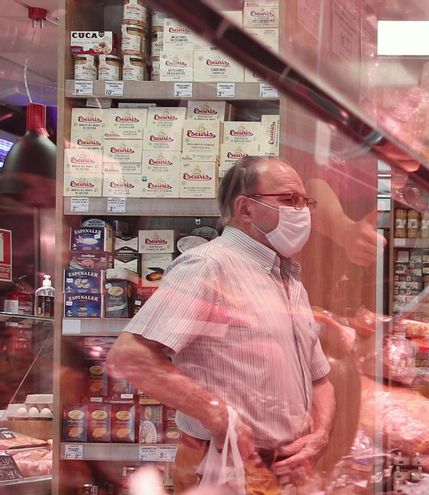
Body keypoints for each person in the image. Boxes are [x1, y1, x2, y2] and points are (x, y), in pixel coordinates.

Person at [107, 156, 336, 494]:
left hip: (288, 468)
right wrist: (215, 413)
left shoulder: (288, 279)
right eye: (290, 201)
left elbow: (320, 379)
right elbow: (130, 356)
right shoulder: (208, 266)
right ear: (245, 208)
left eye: (305, 202)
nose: (302, 212)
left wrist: (320, 436)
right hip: (227, 466)